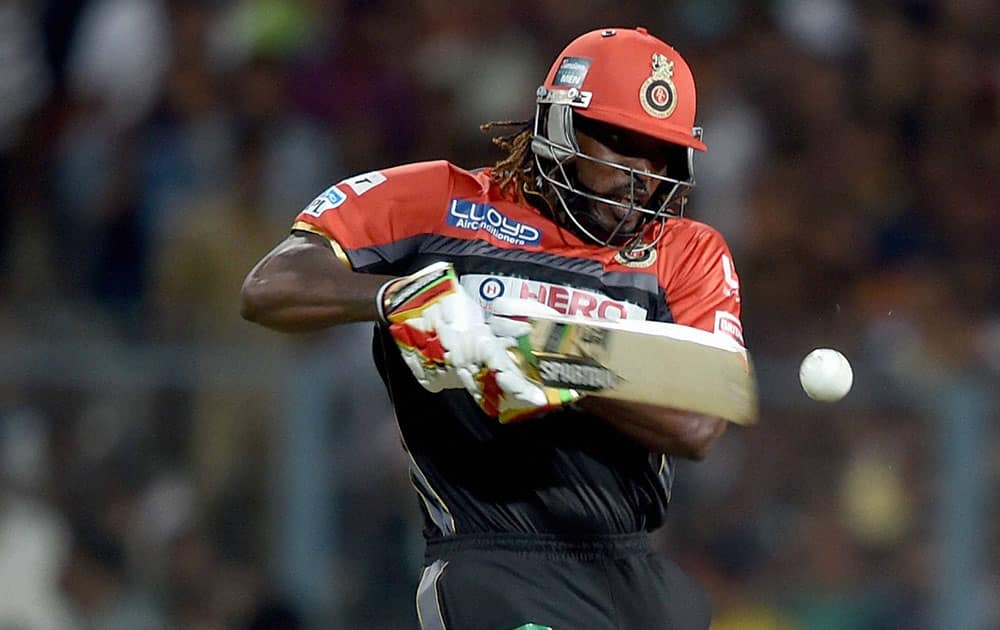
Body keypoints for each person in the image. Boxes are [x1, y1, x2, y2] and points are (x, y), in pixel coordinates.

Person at [242, 26, 744, 630]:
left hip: (634, 571)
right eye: (619, 141)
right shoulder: (437, 203)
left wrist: (547, 354)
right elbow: (270, 286)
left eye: (658, 152)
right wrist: (397, 296)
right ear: (559, 126)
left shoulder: (686, 252)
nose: (641, 173)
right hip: (494, 559)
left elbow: (698, 421)